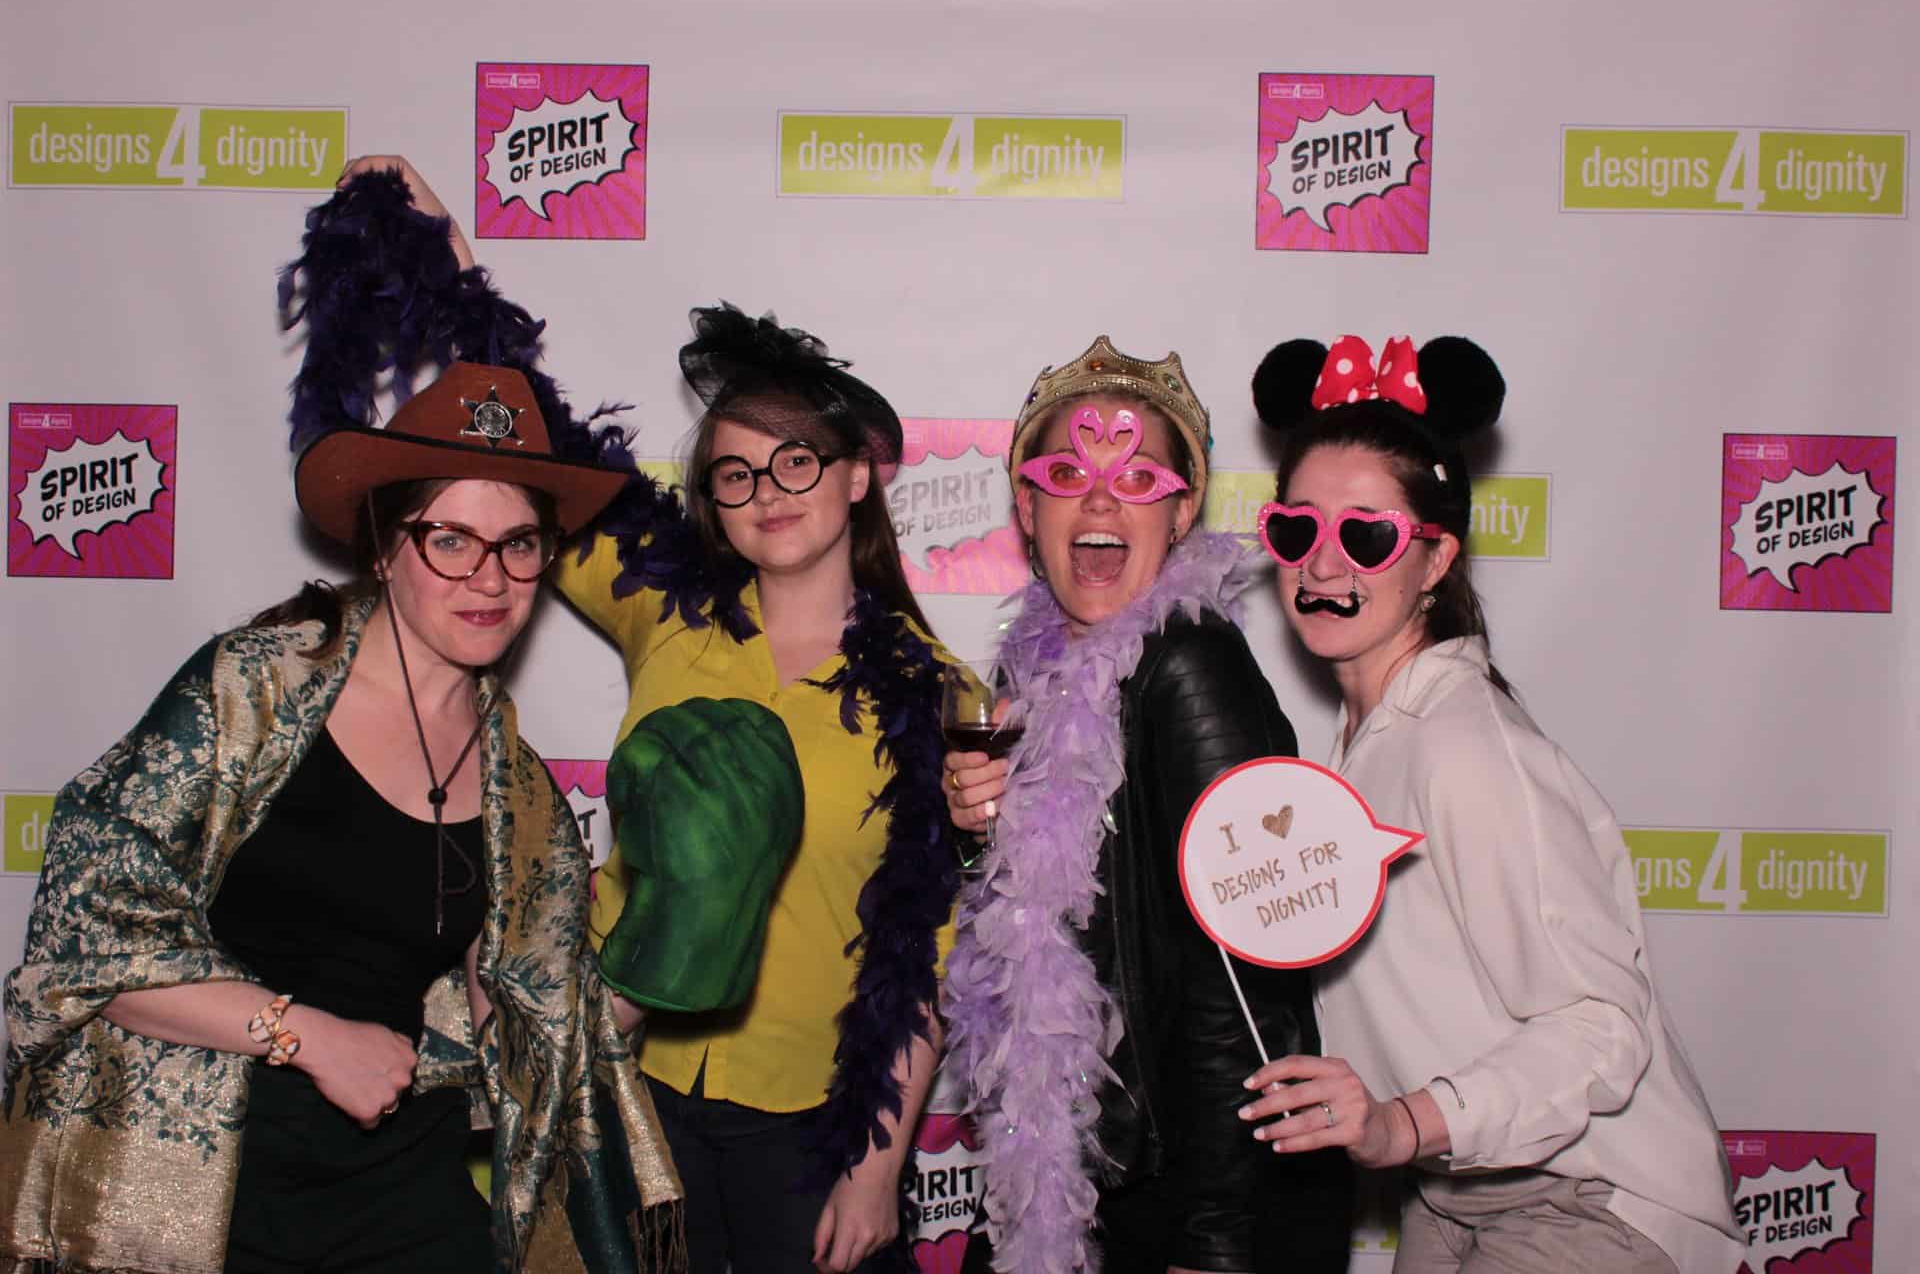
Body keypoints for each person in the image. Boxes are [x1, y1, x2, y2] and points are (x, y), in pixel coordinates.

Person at [284, 157, 963, 1273]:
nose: (767, 492)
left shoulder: (936, 693)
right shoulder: (667, 608)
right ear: (713, 504)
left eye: (797, 461)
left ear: (856, 479)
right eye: (735, 474)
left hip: (812, 1122)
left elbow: (924, 950)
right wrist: (444, 251)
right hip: (624, 1082)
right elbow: (531, 437)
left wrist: (878, 1162)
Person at [0, 356, 689, 1273]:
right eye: (452, 540)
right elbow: (84, 935)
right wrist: (305, 1035)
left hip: (398, 1189)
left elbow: (531, 1035)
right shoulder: (252, 689)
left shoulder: (522, 796)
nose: (491, 579)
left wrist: (680, 941)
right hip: (189, 1185)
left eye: (519, 544)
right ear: (384, 548)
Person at [1235, 334, 1744, 1272]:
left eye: (1368, 535)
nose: (1324, 565)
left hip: (1590, 1198)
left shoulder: (1460, 745)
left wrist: (1399, 1125)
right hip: (1458, 1189)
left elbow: (1600, 1025)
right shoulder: (1372, 738)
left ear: (1434, 560)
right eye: (1298, 530)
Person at [941, 338, 1354, 1274]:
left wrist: (1215, 1243)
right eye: (1067, 475)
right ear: (1026, 509)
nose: (1098, 502)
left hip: (1188, 1192)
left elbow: (1242, 983)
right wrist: (976, 838)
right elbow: (1041, 927)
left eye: (1137, 477)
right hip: (1102, 1174)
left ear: (1181, 511)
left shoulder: (1189, 669)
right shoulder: (1030, 673)